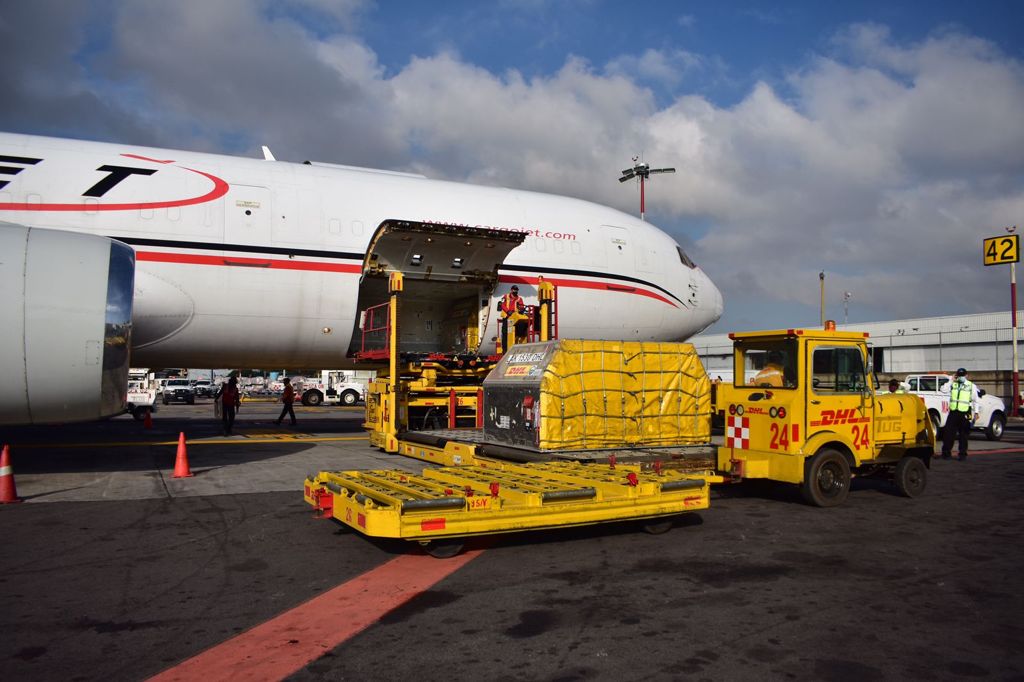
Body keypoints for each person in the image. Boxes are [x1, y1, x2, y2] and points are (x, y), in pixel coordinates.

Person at [941, 367, 974, 461]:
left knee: (964, 434)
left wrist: (976, 412)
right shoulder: (953, 384)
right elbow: (943, 389)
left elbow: (975, 400)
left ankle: (962, 454)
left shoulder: (971, 385)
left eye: (963, 375)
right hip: (954, 411)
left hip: (966, 412)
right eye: (959, 375)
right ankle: (946, 453)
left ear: (967, 375)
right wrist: (951, 380)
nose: (961, 377)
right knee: (948, 433)